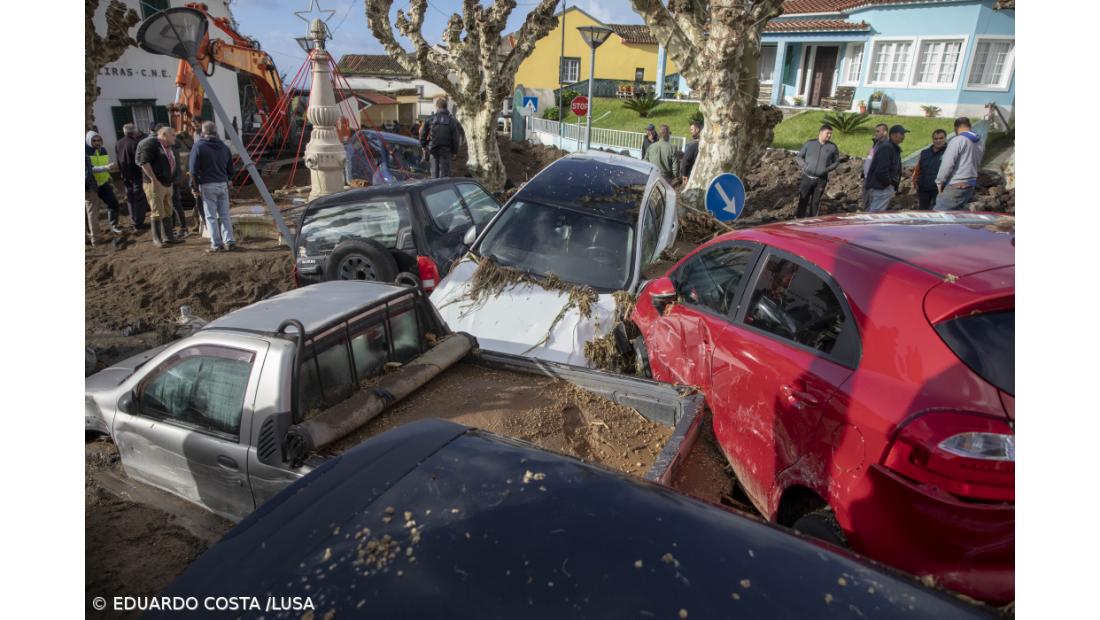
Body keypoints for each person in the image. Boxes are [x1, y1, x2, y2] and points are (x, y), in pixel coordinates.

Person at [190, 121, 237, 253]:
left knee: (211, 216)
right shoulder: (224, 147)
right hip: (222, 184)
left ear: (203, 132)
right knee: (225, 215)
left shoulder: (198, 146)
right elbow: (230, 168)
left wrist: (194, 187)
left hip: (207, 184)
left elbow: (193, 170)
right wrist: (228, 179)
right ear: (216, 132)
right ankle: (229, 242)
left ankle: (216, 244)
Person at [136, 126, 182, 247]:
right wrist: (153, 179)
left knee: (168, 209)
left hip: (167, 183)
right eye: (173, 135)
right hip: (155, 183)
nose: (175, 137)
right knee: (157, 211)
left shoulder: (169, 146)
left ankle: (169, 237)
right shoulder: (151, 144)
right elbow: (144, 162)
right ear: (164, 135)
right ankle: (157, 239)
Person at [934, 117, 984, 211]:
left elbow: (947, 164)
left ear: (956, 128)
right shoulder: (979, 142)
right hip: (970, 185)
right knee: (956, 215)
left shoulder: (958, 140)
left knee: (939, 214)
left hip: (956, 185)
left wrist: (939, 182)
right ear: (970, 126)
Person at [795, 124, 841, 218]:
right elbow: (799, 157)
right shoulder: (809, 144)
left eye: (831, 133)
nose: (829, 135)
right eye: (827, 133)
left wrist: (826, 169)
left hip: (821, 180)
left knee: (815, 202)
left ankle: (813, 221)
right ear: (821, 132)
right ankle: (799, 220)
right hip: (807, 178)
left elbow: (836, 162)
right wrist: (805, 166)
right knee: (803, 200)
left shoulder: (832, 147)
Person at [85, 131, 123, 234]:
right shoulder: (85, 152)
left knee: (113, 203)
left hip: (103, 183)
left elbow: (105, 165)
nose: (97, 142)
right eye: (94, 140)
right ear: (88, 141)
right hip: (90, 185)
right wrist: (105, 167)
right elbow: (90, 169)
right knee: (90, 211)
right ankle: (89, 232)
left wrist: (109, 177)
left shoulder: (103, 150)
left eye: (99, 140)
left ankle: (114, 226)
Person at [864, 124, 907, 212]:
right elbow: (881, 170)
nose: (903, 136)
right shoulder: (887, 147)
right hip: (881, 188)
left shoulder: (891, 147)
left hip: (882, 187)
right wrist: (889, 184)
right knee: (876, 214)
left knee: (876, 212)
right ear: (893, 135)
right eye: (901, 134)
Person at [115, 123, 150, 230]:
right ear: (134, 132)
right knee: (139, 199)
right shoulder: (135, 144)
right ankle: (138, 223)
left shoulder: (119, 143)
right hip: (137, 176)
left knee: (131, 198)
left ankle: (134, 220)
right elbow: (140, 161)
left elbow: (118, 160)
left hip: (125, 175)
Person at [419, 98, 461, 178]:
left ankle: (435, 185)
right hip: (446, 150)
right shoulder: (452, 120)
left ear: (437, 107)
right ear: (446, 107)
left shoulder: (430, 119)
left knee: (434, 173)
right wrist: (455, 151)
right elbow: (455, 138)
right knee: (445, 174)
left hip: (433, 149)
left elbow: (422, 134)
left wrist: (424, 146)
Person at [911, 129, 947, 210]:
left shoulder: (949, 153)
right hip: (924, 189)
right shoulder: (924, 153)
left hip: (940, 190)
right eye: (936, 138)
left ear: (945, 138)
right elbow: (917, 169)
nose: (938, 141)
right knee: (923, 212)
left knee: (939, 212)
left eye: (941, 138)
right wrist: (915, 182)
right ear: (932, 139)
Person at [860, 123, 889, 209]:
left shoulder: (887, 146)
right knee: (866, 203)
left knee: (872, 205)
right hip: (868, 178)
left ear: (885, 132)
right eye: (875, 131)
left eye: (878, 131)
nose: (875, 133)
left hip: (875, 180)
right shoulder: (876, 144)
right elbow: (871, 158)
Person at [681, 120, 702, 186]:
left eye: (692, 129)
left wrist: (684, 174)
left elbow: (686, 161)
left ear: (697, 130)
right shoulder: (707, 144)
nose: (690, 131)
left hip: (693, 175)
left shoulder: (692, 145)